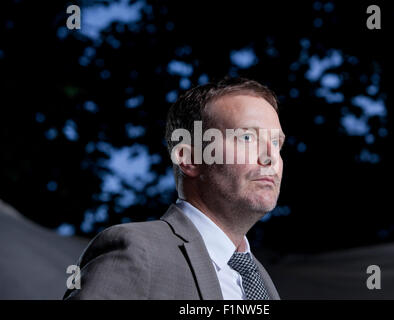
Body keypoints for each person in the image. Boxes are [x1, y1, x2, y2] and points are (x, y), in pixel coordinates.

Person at [63, 77, 285, 300]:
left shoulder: (259, 279)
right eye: (247, 137)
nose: (271, 157)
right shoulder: (136, 250)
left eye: (276, 143)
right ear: (189, 158)